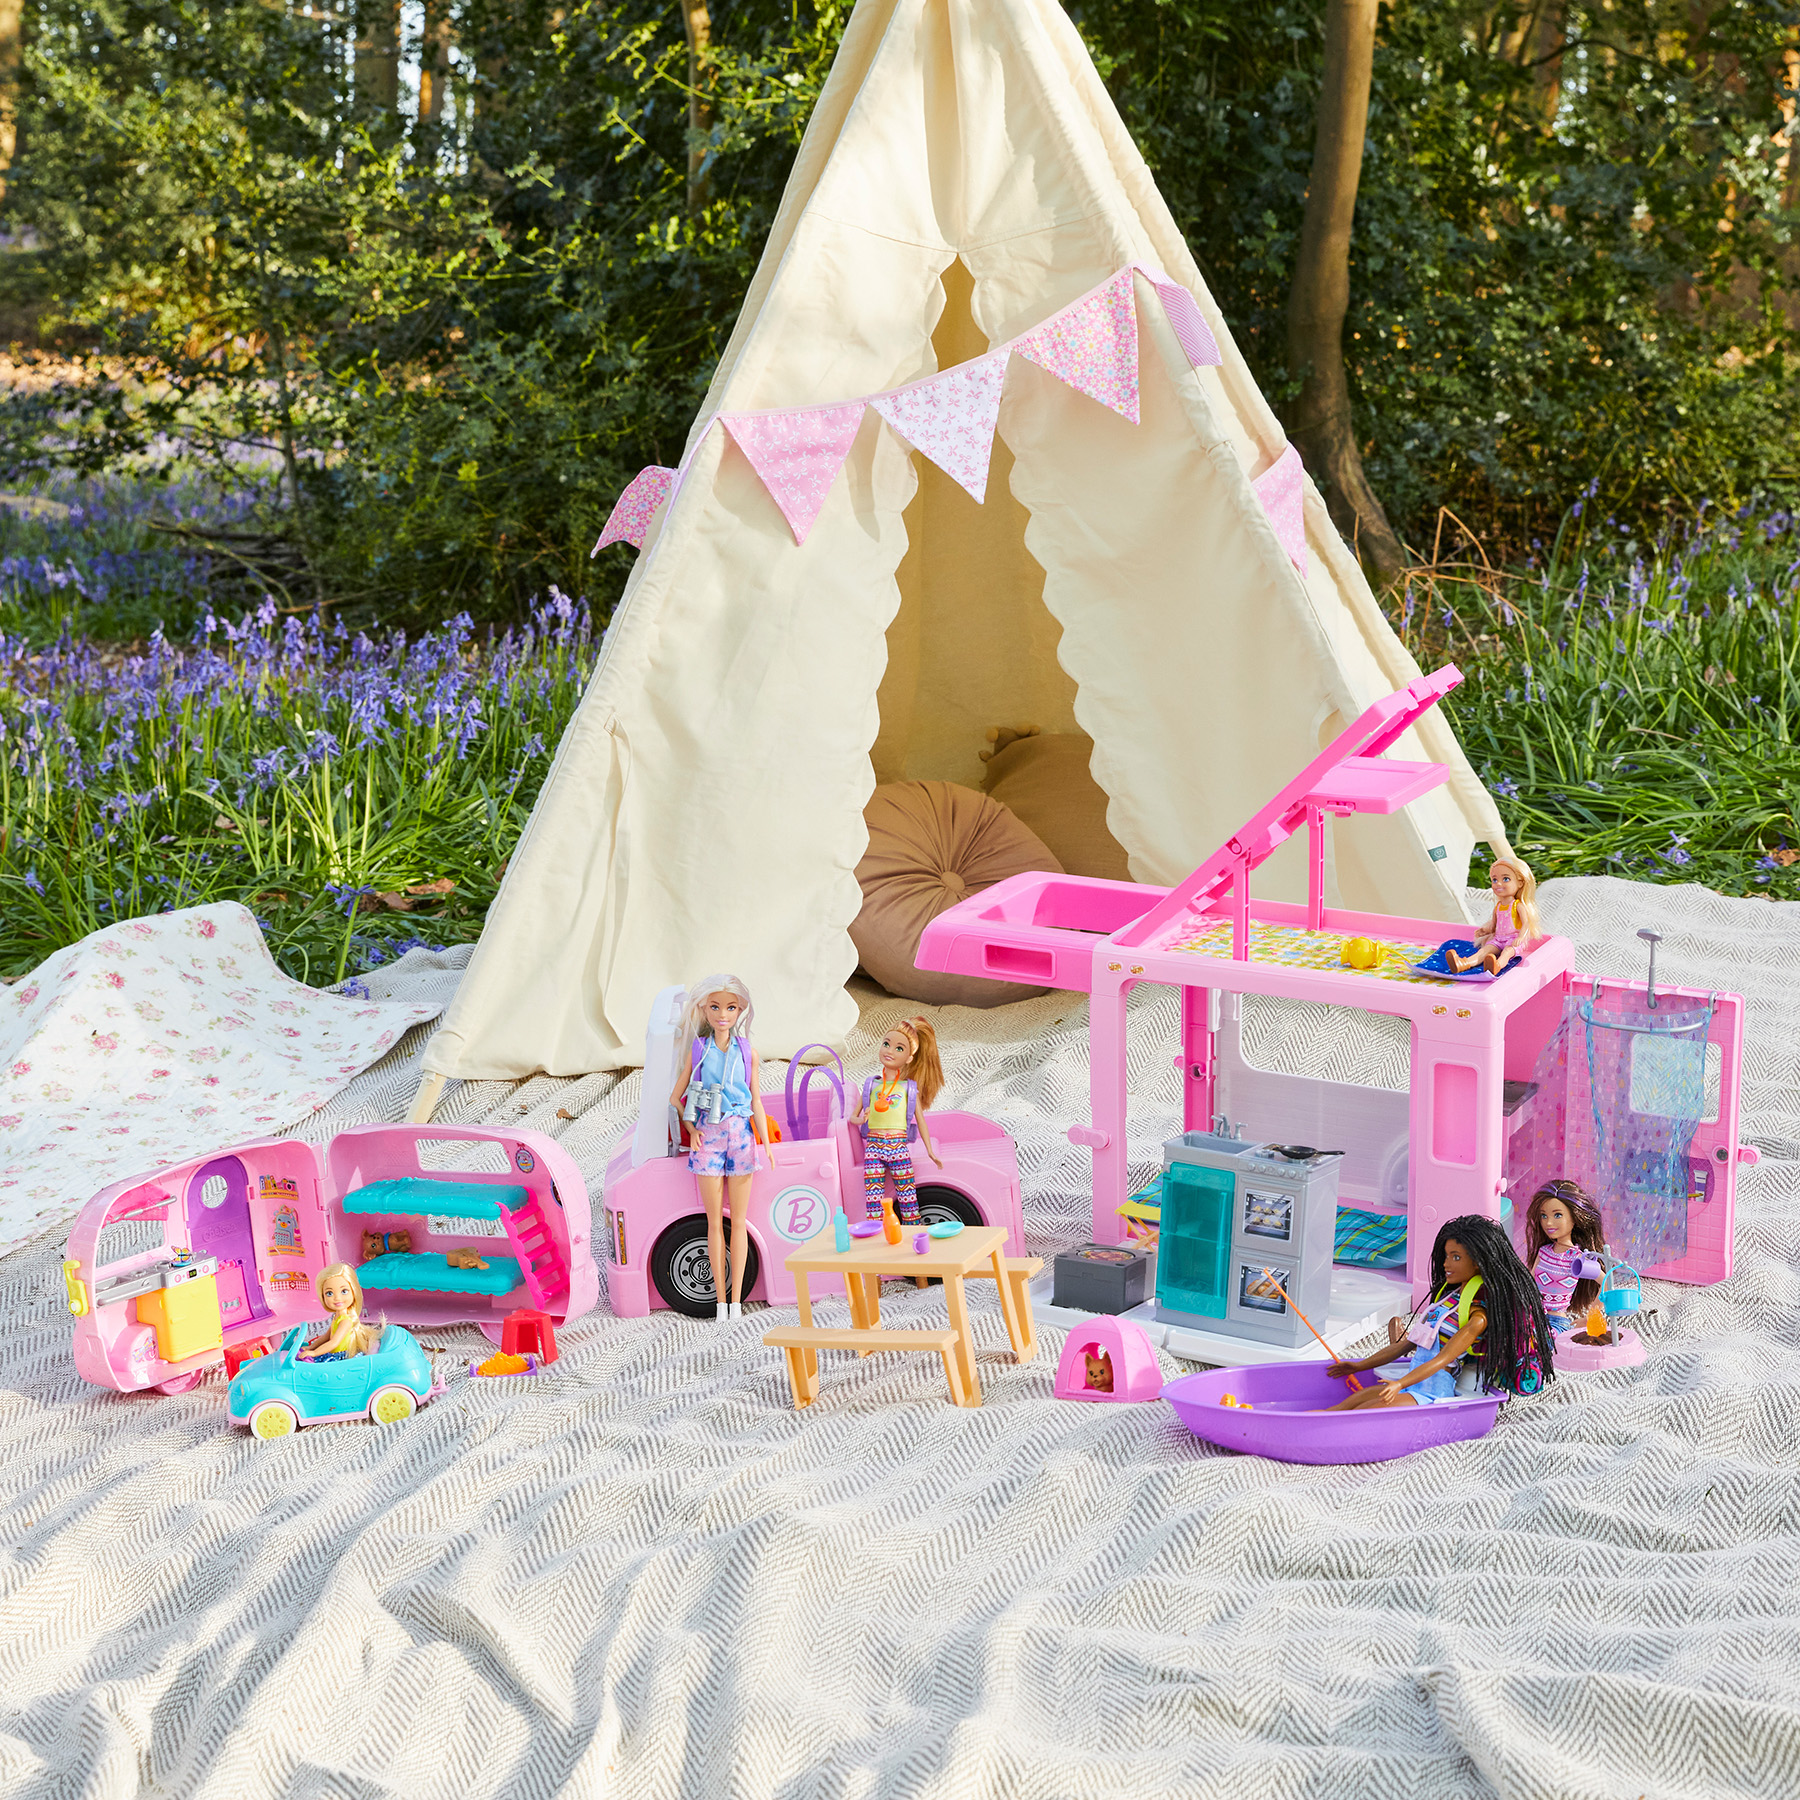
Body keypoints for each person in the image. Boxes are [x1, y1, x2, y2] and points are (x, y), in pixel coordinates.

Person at [1325, 1214, 1553, 1408]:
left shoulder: (1478, 1318)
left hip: (1431, 1391)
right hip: (1411, 1381)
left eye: (1456, 1257)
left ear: (1478, 1263)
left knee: (1364, 1411)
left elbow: (1445, 1357)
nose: (1446, 1264)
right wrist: (1358, 1365)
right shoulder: (1447, 1302)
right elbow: (1406, 1345)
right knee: (1343, 1407)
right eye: (1446, 1256)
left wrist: (1400, 1384)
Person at [668, 973, 771, 1322]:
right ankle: (719, 1302)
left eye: (730, 1007)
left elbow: (756, 1097)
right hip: (708, 1136)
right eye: (715, 1007)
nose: (722, 1014)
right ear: (704, 1008)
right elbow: (675, 1097)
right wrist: (690, 1126)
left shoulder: (747, 1051)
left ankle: (737, 1300)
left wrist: (765, 1141)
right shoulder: (698, 1050)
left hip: (741, 1135)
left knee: (739, 1222)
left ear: (740, 1009)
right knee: (715, 1222)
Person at [848, 1016, 944, 1225]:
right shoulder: (871, 1085)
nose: (889, 1051)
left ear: (909, 1058)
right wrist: (860, 1118)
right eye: (886, 1044)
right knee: (873, 1204)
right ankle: (876, 1238)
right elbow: (852, 1117)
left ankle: (913, 1235)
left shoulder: (908, 1088)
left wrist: (930, 1151)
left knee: (908, 1199)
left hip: (898, 1146)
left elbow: (921, 1122)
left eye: (899, 1048)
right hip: (873, 1146)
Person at [1523, 1178, 1608, 1333]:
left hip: (1555, 1323)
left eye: (1557, 1215)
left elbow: (1607, 1282)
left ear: (1575, 1218)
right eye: (1544, 1216)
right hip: (1531, 1316)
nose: (1548, 1223)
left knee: (1536, 1346)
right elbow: (1528, 1283)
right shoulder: (1544, 1252)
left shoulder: (1576, 1259)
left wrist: (1591, 1315)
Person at [1448, 856, 1543, 975]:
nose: (1498, 884)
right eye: (1494, 880)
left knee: (1507, 952)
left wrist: (1520, 937)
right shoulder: (1498, 906)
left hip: (1513, 940)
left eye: (1506, 879)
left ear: (1520, 883)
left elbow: (1526, 924)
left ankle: (1496, 966)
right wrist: (1485, 931)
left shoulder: (1517, 905)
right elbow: (1494, 924)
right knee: (1484, 951)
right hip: (1498, 939)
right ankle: (1463, 963)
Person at [297, 1263, 376, 1360]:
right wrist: (311, 1347)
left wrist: (314, 1353)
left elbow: (334, 1342)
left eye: (344, 1291)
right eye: (329, 1293)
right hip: (332, 1352)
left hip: (339, 1357)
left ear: (354, 1291)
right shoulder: (337, 1317)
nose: (337, 1298)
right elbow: (326, 1337)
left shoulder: (345, 1321)